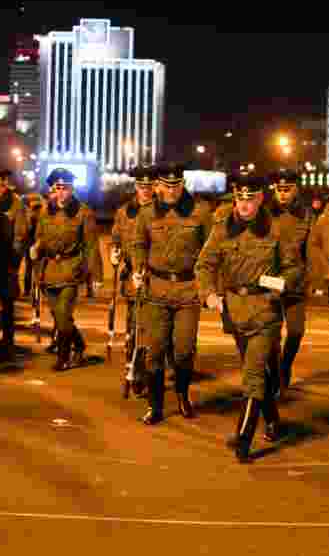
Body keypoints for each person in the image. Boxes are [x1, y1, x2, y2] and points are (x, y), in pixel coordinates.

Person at [195, 173, 303, 462]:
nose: (244, 204)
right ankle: (273, 420)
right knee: (257, 371)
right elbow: (204, 265)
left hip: (265, 309)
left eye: (251, 198)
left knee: (252, 375)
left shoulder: (277, 229)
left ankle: (243, 440)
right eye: (240, 198)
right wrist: (207, 294)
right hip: (234, 310)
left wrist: (281, 283)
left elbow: (294, 268)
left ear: (260, 199)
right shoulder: (222, 227)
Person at [130, 162, 213, 424]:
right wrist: (137, 268)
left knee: (184, 350)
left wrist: (210, 286)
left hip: (188, 289)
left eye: (176, 185)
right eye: (167, 186)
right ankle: (155, 406)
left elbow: (211, 249)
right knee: (154, 351)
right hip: (156, 288)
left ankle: (182, 393)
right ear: (158, 186)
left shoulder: (200, 211)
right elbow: (139, 244)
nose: (172, 191)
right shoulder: (147, 213)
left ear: (183, 184)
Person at [30, 169, 102, 371]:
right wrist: (36, 248)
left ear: (72, 189)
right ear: (52, 189)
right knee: (60, 316)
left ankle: (62, 358)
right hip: (49, 270)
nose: (62, 192)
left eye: (66, 188)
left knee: (62, 316)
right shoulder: (45, 211)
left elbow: (91, 246)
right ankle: (79, 345)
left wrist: (96, 275)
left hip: (71, 269)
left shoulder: (83, 212)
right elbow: (40, 237)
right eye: (58, 188)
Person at [109, 164, 157, 389]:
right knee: (134, 326)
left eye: (149, 186)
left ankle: (144, 371)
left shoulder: (163, 211)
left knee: (148, 328)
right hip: (132, 278)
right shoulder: (124, 212)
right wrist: (115, 253)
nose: (145, 190)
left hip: (155, 278)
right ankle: (135, 368)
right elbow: (116, 239)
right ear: (135, 187)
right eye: (141, 186)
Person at [267, 169, 311, 396]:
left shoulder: (305, 214)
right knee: (272, 335)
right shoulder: (264, 212)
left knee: (296, 331)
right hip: (270, 280)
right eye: (279, 189)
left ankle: (285, 365)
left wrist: (310, 276)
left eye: (287, 189)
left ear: (296, 189)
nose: (283, 194)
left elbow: (310, 249)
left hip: (295, 281)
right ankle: (276, 374)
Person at [0, 167, 28, 357]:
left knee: (7, 304)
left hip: (6, 260)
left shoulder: (16, 204)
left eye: (1, 184)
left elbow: (21, 235)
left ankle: (8, 340)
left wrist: (14, 262)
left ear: (6, 184)